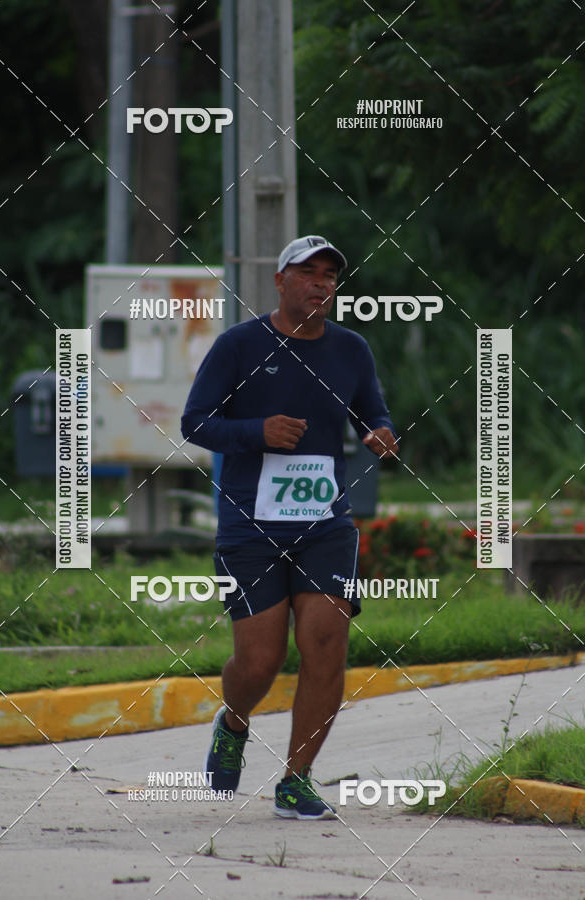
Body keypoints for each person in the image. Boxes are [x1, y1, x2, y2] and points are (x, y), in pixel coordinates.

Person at [181, 235, 398, 819]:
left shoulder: (352, 350)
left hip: (325, 523)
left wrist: (380, 434)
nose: (320, 283)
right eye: (308, 273)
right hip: (250, 526)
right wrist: (257, 432)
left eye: (330, 275)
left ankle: (296, 778)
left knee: (326, 645)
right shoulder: (239, 346)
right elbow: (195, 423)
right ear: (280, 281)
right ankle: (233, 721)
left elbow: (370, 411)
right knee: (260, 663)